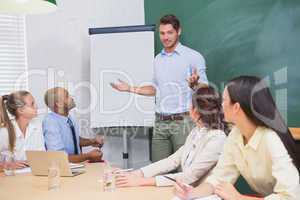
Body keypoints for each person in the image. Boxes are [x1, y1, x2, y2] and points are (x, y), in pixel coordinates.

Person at [174, 76, 300, 200]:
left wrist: (239, 198)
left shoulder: (271, 139)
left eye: (224, 100)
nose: (220, 106)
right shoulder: (236, 135)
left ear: (236, 107)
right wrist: (191, 194)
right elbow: (218, 178)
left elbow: (291, 197)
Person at [110, 14, 209, 162]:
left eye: (170, 32)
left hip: (184, 122)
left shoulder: (193, 57)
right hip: (160, 122)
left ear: (178, 32)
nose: (165, 37)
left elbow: (206, 88)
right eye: (162, 33)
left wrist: (195, 85)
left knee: (185, 169)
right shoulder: (157, 59)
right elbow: (155, 89)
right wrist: (129, 88)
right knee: (158, 169)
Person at [115, 86, 227, 187]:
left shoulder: (217, 138)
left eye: (190, 104)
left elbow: (190, 176)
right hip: (187, 192)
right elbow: (172, 160)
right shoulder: (196, 132)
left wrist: (142, 181)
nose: (188, 108)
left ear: (196, 111)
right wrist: (137, 174)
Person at [43, 87, 103, 163]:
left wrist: (92, 141)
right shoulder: (50, 122)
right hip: (62, 169)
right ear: (59, 104)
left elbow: (74, 139)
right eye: (67, 96)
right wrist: (88, 156)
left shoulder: (70, 117)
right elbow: (58, 157)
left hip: (76, 166)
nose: (72, 98)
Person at [0, 91, 45, 169]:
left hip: (31, 174)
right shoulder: (4, 132)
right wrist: (6, 165)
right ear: (20, 110)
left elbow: (41, 154)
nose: (36, 106)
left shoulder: (37, 125)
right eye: (32, 104)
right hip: (10, 177)